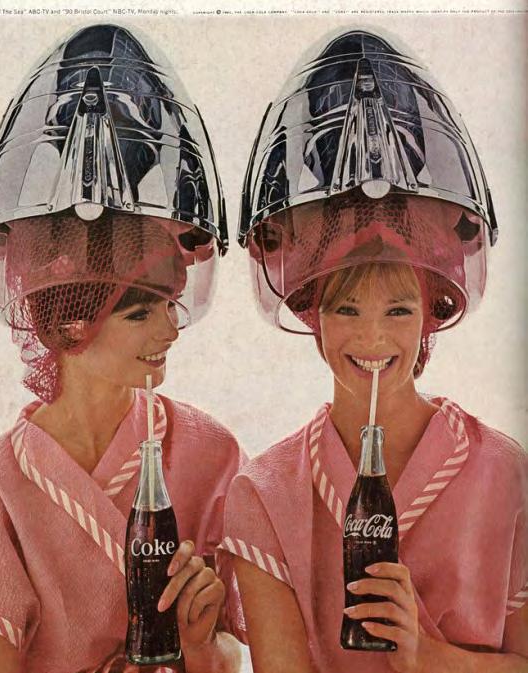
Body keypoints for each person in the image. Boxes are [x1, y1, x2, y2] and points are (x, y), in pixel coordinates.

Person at [0, 25, 243, 673]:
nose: (170, 330)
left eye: (171, 303)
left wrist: (203, 643)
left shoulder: (210, 456)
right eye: (140, 312)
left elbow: (230, 655)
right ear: (71, 320)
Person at [219, 29, 528, 673]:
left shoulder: (506, 474)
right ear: (311, 312)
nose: (371, 338)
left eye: (399, 310)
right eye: (345, 309)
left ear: (432, 312)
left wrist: (431, 656)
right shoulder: (264, 494)